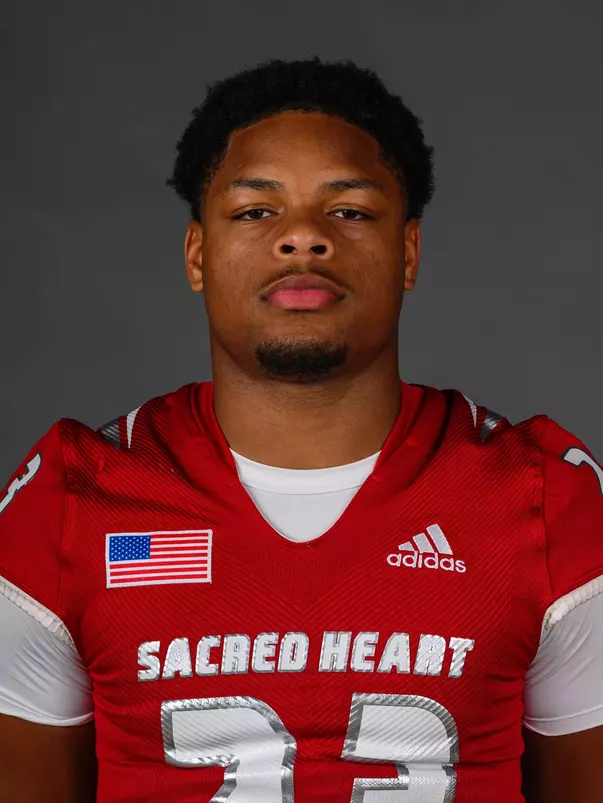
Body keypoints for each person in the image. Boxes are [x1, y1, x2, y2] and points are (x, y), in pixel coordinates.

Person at [0, 56, 602, 803]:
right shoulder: (73, 493)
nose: (302, 239)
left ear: (407, 251)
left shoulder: (542, 491)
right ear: (197, 254)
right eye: (256, 211)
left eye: (347, 210)